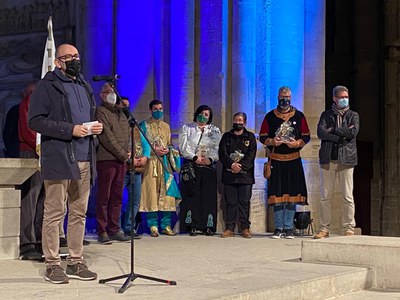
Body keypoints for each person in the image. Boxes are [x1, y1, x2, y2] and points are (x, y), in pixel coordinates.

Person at [28, 44, 103, 284]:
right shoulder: (46, 86)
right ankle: (52, 264)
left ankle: (75, 261)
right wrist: (70, 130)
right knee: (54, 214)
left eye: (77, 56)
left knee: (78, 214)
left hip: (84, 158)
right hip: (60, 158)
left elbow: (86, 117)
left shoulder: (83, 85)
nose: (74, 60)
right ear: (58, 62)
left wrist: (94, 128)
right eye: (68, 57)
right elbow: (35, 121)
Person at [259, 86, 310, 239]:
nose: (284, 99)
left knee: (292, 195)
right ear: (278, 97)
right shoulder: (270, 116)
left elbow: (306, 136)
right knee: (277, 195)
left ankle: (288, 228)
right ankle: (278, 227)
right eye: (282, 96)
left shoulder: (299, 116)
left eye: (287, 97)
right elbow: (262, 136)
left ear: (291, 98)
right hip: (276, 160)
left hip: (293, 160)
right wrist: (272, 141)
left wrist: (296, 144)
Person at [314, 85, 359, 239]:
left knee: (348, 196)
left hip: (347, 159)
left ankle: (348, 227)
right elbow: (320, 133)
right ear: (334, 98)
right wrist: (340, 135)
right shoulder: (326, 115)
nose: (344, 99)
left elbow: (353, 133)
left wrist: (332, 130)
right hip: (329, 159)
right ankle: (324, 228)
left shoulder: (353, 115)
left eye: (346, 97)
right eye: (341, 97)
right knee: (325, 196)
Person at [95, 83, 131, 244]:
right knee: (104, 196)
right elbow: (107, 137)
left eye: (113, 92)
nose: (112, 95)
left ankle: (114, 228)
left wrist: (127, 152)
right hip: (107, 159)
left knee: (117, 196)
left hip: (121, 160)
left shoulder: (121, 114)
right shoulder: (100, 111)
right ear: (102, 95)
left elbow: (127, 135)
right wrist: (122, 154)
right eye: (108, 92)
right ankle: (102, 230)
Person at [139, 100, 181, 237]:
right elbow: (139, 147)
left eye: (161, 108)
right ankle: (153, 225)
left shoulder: (166, 126)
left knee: (167, 194)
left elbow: (169, 144)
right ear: (150, 110)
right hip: (150, 163)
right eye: (156, 109)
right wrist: (154, 150)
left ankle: (166, 225)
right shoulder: (143, 126)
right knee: (151, 193)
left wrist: (167, 150)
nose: (159, 111)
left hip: (164, 164)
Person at [179, 105, 222, 236]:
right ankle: (192, 224)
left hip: (208, 166)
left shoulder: (214, 130)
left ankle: (208, 226)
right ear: (197, 113)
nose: (204, 116)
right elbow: (183, 147)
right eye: (202, 113)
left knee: (208, 196)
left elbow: (217, 148)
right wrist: (194, 157)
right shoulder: (187, 128)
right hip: (192, 165)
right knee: (192, 195)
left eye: (207, 114)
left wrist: (211, 158)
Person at [18, 82, 45, 260]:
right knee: (31, 198)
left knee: (43, 199)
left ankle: (40, 239)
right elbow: (30, 130)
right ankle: (27, 243)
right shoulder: (30, 101)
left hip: (47, 154)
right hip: (32, 151)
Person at [218, 112, 257, 238]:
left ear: (244, 122)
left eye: (240, 120)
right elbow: (222, 154)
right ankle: (230, 228)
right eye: (236, 120)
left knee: (244, 202)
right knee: (230, 202)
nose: (238, 123)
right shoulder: (226, 137)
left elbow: (251, 155)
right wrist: (232, 165)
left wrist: (240, 167)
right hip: (229, 175)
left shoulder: (250, 137)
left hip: (245, 176)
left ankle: (245, 228)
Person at [119, 97, 148, 239]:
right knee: (116, 199)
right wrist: (128, 158)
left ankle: (129, 227)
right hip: (121, 167)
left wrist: (145, 157)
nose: (126, 109)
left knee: (135, 201)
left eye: (128, 106)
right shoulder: (117, 124)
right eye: (123, 106)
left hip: (136, 169)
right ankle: (116, 228)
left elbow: (145, 143)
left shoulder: (134, 125)